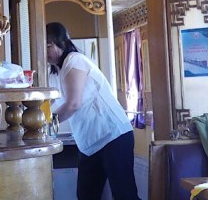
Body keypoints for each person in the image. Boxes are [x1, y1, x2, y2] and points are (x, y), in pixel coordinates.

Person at [46, 22, 141, 200]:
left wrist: (46, 123)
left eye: (49, 45)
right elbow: (50, 100)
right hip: (90, 143)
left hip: (113, 135)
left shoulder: (75, 60)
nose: (46, 51)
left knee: (124, 194)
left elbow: (73, 104)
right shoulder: (56, 72)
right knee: (86, 195)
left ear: (62, 43)